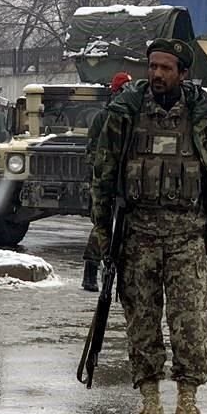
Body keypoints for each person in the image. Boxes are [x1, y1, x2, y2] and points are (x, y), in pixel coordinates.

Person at [91, 39, 207, 414]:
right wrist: (102, 231)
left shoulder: (201, 116)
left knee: (189, 323)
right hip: (138, 236)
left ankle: (187, 406)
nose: (156, 74)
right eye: (152, 66)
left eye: (166, 68)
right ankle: (149, 405)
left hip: (188, 235)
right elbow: (102, 175)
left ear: (182, 73)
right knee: (142, 321)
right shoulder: (125, 113)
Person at [81, 71, 133, 292]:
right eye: (125, 89)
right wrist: (101, 174)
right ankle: (90, 271)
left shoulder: (131, 114)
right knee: (102, 226)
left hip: (126, 179)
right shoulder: (106, 116)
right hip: (106, 179)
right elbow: (92, 148)